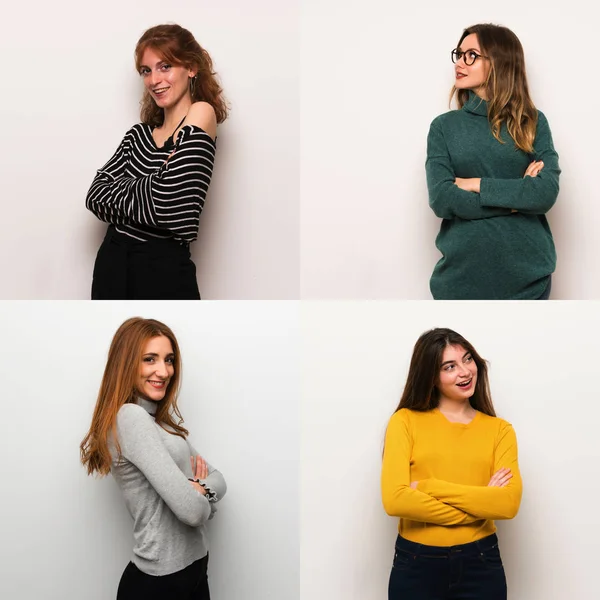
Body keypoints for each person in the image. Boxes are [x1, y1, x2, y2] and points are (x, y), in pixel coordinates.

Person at [80, 317, 226, 599]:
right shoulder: (130, 417)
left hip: (195, 568)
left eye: (169, 360)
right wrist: (202, 497)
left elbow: (220, 479)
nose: (165, 371)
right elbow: (192, 512)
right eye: (150, 359)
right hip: (161, 584)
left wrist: (200, 490)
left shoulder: (161, 423)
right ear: (126, 364)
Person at [86, 24, 228, 299]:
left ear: (191, 68)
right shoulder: (137, 135)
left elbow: (169, 204)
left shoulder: (201, 113)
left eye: (165, 66)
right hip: (111, 264)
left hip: (162, 268)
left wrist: (128, 187)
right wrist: (155, 182)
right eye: (146, 70)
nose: (154, 80)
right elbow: (94, 195)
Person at [382, 328, 522, 600]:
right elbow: (395, 500)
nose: (465, 371)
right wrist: (482, 504)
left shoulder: (500, 430)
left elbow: (507, 504)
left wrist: (427, 486)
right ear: (431, 377)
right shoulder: (404, 421)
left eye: (468, 359)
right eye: (450, 366)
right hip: (416, 564)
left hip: (481, 563)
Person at [426, 24, 560, 299]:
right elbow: (442, 198)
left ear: (498, 61)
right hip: (459, 280)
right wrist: (515, 202)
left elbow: (545, 193)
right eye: (459, 54)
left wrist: (474, 184)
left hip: (529, 280)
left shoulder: (532, 121)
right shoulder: (444, 127)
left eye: (471, 55)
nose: (460, 63)